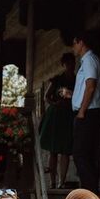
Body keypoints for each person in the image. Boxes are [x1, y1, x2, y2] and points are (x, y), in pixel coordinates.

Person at [70, 32, 100, 192]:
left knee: (81, 154)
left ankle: (90, 193)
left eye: (74, 43)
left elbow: (91, 86)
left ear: (80, 42)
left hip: (88, 113)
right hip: (87, 112)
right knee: (83, 154)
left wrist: (81, 111)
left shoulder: (89, 59)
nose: (73, 48)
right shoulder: (86, 61)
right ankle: (89, 192)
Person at [39, 53, 76, 188]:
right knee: (53, 150)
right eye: (67, 63)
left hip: (69, 115)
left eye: (72, 62)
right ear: (63, 64)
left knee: (65, 149)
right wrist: (55, 104)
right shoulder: (58, 80)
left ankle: (62, 182)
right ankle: (53, 182)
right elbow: (47, 96)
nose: (70, 65)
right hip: (56, 115)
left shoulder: (77, 80)